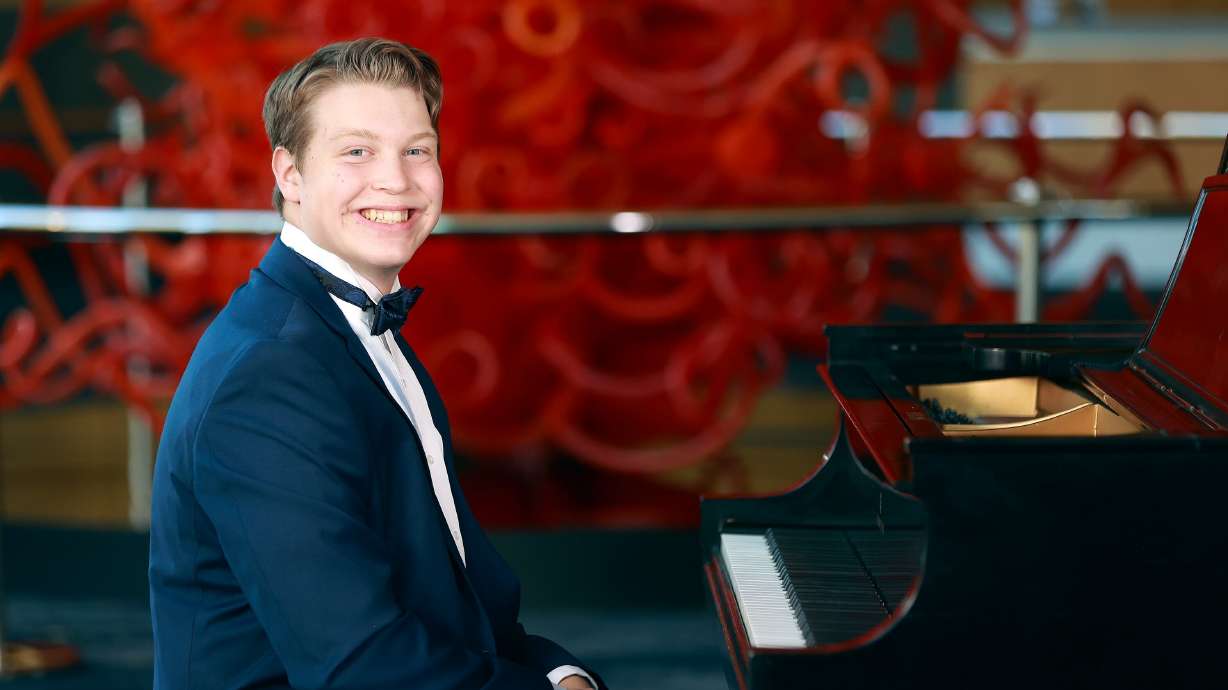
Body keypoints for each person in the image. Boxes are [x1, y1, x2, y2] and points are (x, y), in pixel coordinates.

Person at [149, 37, 601, 690]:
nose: (396, 179)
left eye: (417, 150)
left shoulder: (352, 329)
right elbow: (358, 666)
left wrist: (560, 673)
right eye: (357, 151)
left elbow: (457, 600)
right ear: (290, 174)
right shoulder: (267, 375)